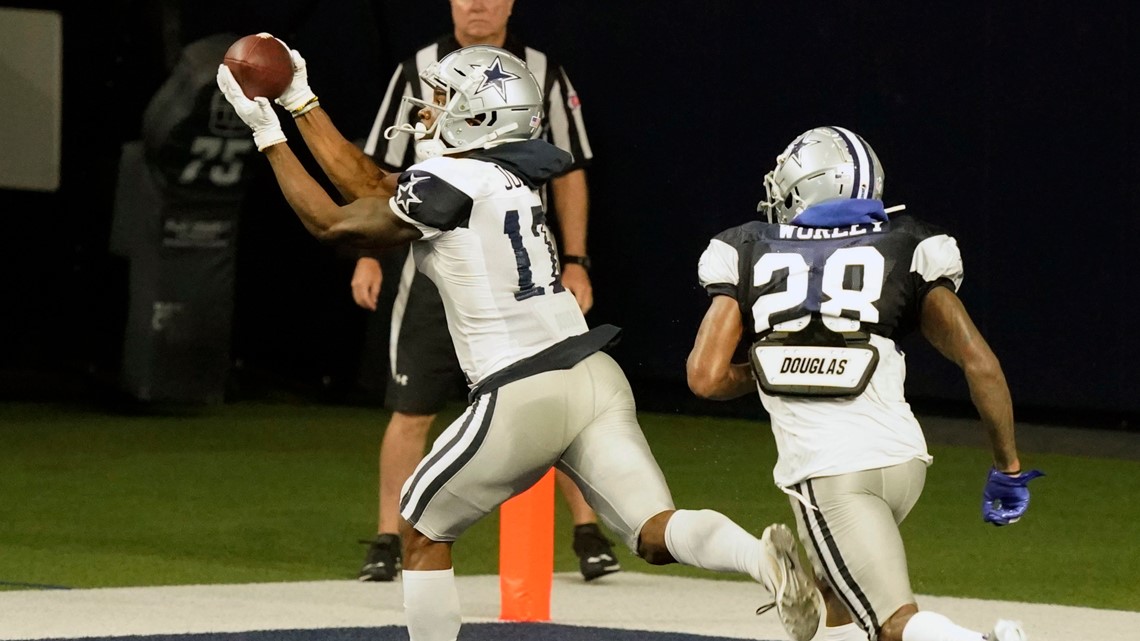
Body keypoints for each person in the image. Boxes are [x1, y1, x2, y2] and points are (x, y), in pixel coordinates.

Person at [216, 43, 822, 641]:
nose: (428, 110)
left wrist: (268, 136)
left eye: (443, 98)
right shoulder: (502, 174)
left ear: (480, 116)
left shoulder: (451, 178)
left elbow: (334, 223)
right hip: (592, 376)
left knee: (421, 531)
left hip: (522, 390)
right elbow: (373, 182)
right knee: (654, 532)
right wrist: (301, 102)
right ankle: (761, 561)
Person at [686, 126, 1043, 641]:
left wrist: (771, 364)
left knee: (893, 624)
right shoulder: (908, 245)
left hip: (830, 475)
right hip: (902, 463)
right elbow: (981, 365)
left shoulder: (746, 247)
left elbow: (705, 377)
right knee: (835, 604)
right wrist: (1007, 467)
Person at [352, 0, 611, 583]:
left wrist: (576, 259)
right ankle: (389, 536)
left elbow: (568, 170)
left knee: (549, 398)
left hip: (514, 269)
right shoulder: (419, 68)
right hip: (436, 262)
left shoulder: (541, 70)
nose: (476, 4)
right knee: (411, 407)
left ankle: (587, 526)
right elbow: (381, 167)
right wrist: (371, 251)